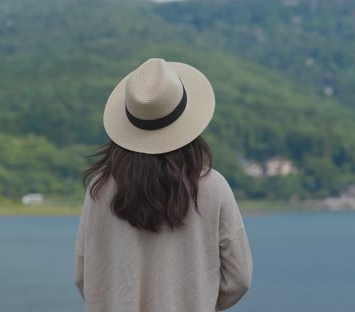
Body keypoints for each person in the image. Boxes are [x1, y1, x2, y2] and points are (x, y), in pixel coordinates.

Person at [75, 58, 252, 312]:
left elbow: (84, 276)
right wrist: (199, 299)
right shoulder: (213, 187)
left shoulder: (100, 189)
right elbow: (240, 278)